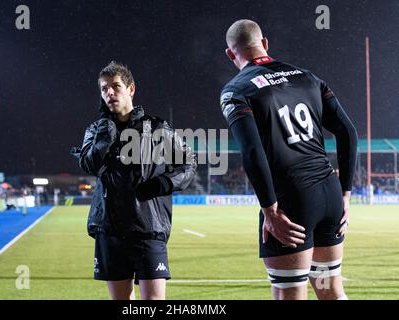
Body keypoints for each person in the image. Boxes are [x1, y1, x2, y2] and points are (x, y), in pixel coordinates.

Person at [220, 20, 358, 300]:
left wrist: (270, 210)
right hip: (329, 192)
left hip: (291, 200)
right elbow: (348, 132)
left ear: (230, 54)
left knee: (290, 293)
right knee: (330, 289)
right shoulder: (307, 77)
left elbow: (251, 151)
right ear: (265, 43)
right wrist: (345, 192)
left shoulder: (236, 90)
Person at [76, 61, 196, 300]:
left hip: (148, 228)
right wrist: (105, 133)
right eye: (103, 88)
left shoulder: (157, 128)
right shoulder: (95, 130)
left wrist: (165, 183)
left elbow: (188, 163)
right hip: (109, 229)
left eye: (115, 86)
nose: (109, 92)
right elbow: (89, 165)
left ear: (131, 89)